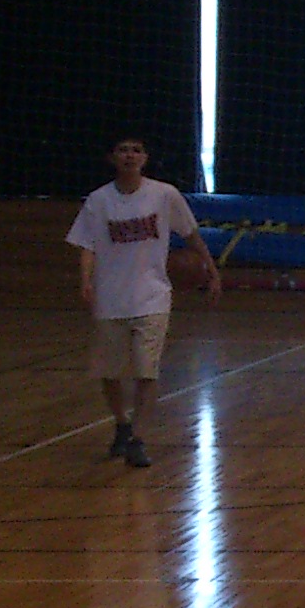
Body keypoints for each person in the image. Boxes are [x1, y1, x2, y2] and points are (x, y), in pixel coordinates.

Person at [66, 136, 218, 470]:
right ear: (112, 158)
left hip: (153, 297)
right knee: (110, 372)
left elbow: (190, 234)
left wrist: (210, 268)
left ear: (145, 158)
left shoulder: (164, 195)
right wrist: (86, 280)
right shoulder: (98, 200)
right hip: (110, 297)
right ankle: (122, 422)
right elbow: (87, 244)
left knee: (146, 371)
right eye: (123, 150)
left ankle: (138, 438)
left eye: (136, 150)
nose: (130, 155)